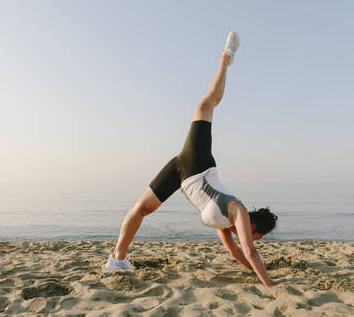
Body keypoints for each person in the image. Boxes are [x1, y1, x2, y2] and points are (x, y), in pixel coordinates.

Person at [106, 31, 285, 287]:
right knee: (206, 104)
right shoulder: (238, 212)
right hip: (198, 164)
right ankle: (226, 58)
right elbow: (249, 251)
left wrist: (258, 269)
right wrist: (270, 283)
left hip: (181, 172)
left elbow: (237, 253)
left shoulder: (224, 224)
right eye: (256, 237)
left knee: (142, 209)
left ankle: (117, 259)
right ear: (254, 228)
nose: (252, 240)